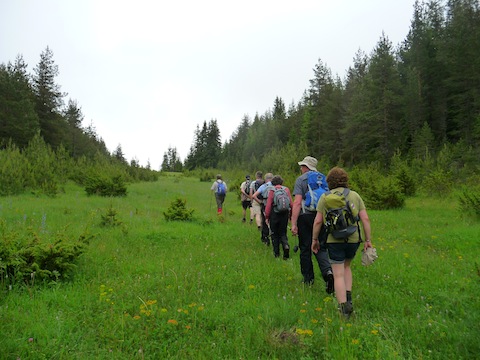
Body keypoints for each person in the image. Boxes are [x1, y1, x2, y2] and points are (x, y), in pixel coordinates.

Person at [312, 166, 372, 319]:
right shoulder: (354, 196)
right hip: (353, 239)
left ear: (329, 182)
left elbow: (318, 221)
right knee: (347, 266)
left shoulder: (325, 197)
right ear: (345, 180)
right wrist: (368, 240)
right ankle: (349, 298)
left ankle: (344, 309)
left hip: (334, 240)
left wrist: (314, 240)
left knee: (337, 274)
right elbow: (365, 218)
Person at [290, 156, 334, 292]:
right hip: (321, 215)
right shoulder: (324, 178)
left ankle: (308, 279)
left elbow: (297, 202)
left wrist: (293, 223)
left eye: (302, 166)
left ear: (306, 167)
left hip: (305, 216)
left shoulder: (301, 180)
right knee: (320, 247)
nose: (301, 168)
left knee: (305, 248)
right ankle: (328, 273)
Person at [265, 175, 293, 259]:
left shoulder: (272, 191)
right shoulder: (286, 189)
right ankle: (286, 245)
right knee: (283, 232)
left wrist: (267, 216)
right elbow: (291, 204)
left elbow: (268, 205)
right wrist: (291, 215)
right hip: (284, 214)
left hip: (274, 214)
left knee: (274, 234)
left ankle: (276, 254)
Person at [252, 172, 274, 246]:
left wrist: (260, 202)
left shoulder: (263, 186)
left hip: (265, 205)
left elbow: (254, 196)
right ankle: (276, 238)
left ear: (265, 179)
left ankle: (265, 238)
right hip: (274, 206)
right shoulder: (276, 186)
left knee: (265, 222)